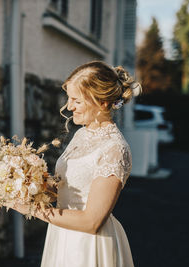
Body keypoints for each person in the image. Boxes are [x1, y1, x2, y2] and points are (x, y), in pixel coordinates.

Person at [12, 61, 140, 267]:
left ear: (103, 103)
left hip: (88, 245)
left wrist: (29, 209)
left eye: (76, 101)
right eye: (69, 99)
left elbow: (91, 222)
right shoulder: (82, 133)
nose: (69, 106)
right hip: (62, 233)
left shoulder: (115, 149)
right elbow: (66, 189)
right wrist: (25, 182)